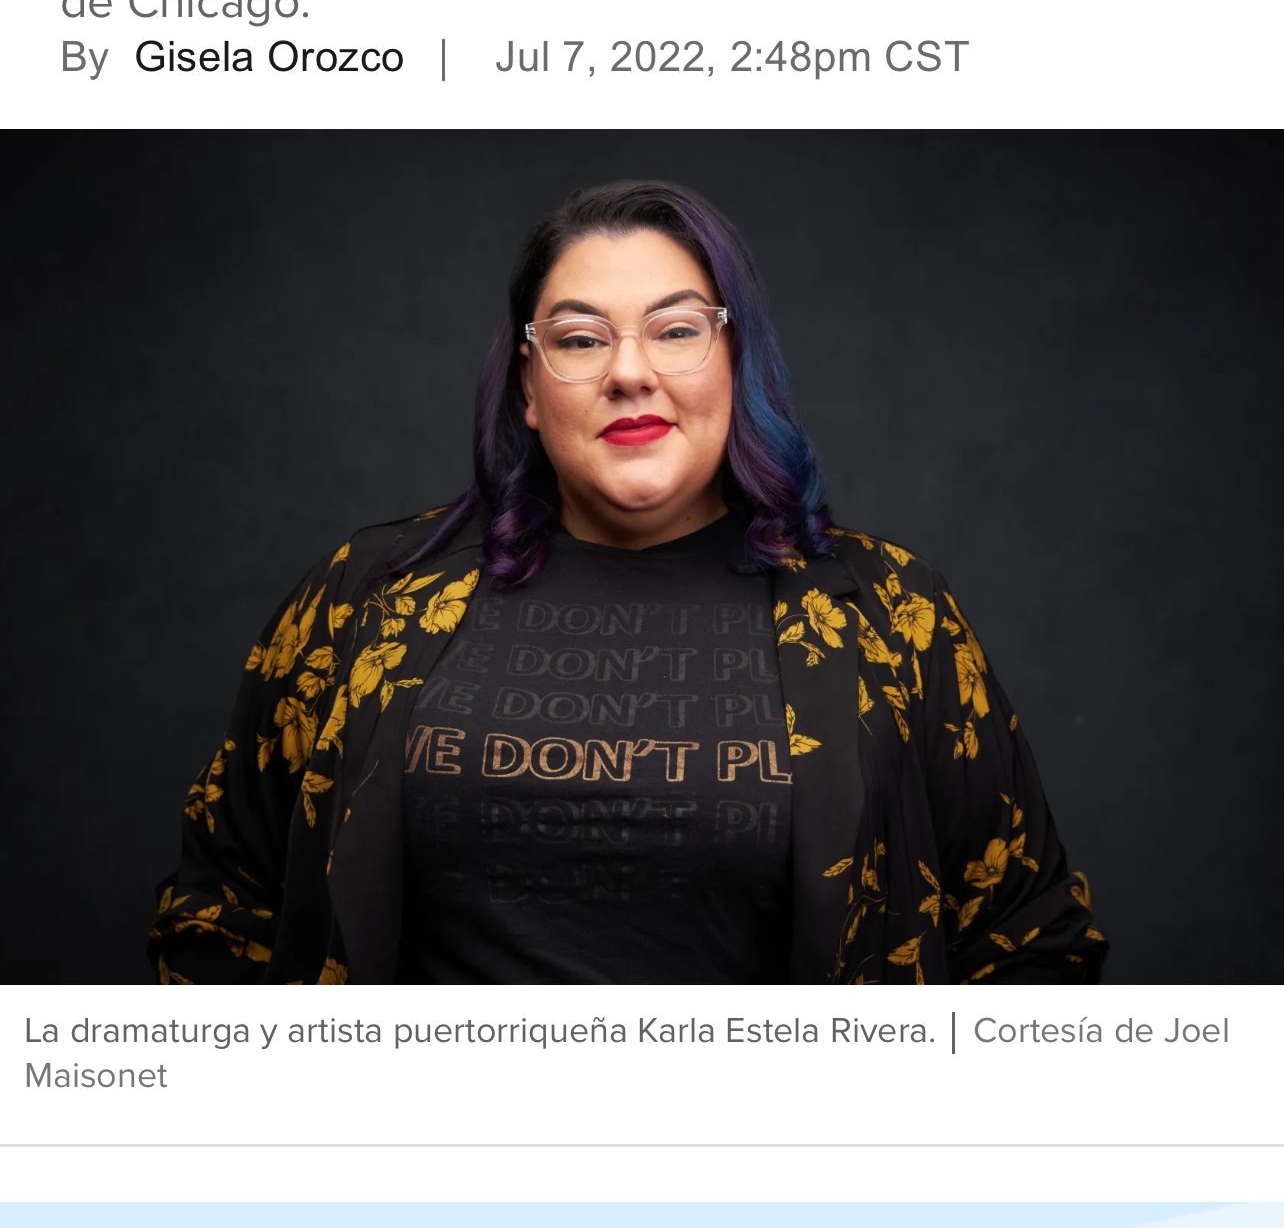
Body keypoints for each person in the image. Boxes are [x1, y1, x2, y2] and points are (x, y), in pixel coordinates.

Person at [150, 178, 1105, 987]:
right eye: (578, 339)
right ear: (528, 385)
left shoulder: (894, 617)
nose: (630, 373)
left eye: (676, 330)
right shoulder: (367, 595)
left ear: (735, 360)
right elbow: (220, 914)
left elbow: (1030, 942)